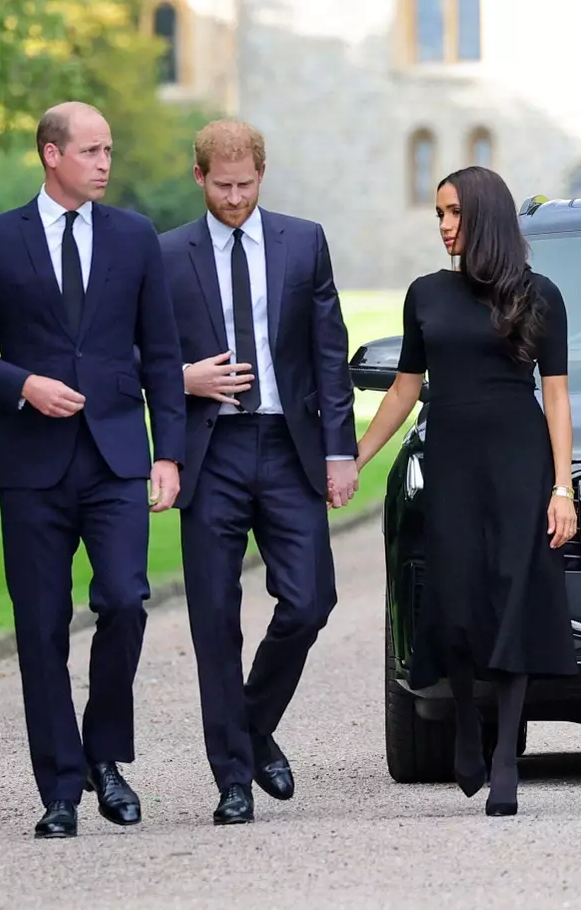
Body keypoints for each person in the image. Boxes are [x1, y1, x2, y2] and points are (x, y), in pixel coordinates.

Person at [0, 101, 186, 839]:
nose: (105, 163)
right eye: (91, 150)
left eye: (109, 149)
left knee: (125, 601)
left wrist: (168, 452)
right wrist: (22, 384)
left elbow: (165, 354)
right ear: (51, 155)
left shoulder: (134, 236)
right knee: (41, 627)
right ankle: (58, 789)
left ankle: (103, 755)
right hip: (30, 465)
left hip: (116, 457)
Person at [356, 165, 578, 817]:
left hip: (518, 458)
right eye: (439, 215)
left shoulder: (540, 295)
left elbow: (557, 394)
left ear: (484, 216)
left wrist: (561, 487)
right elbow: (404, 387)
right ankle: (462, 730)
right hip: (449, 456)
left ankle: (506, 754)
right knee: (454, 598)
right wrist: (358, 456)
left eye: (453, 213)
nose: (445, 226)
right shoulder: (425, 294)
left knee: (512, 591)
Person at [157, 119, 358, 825]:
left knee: (311, 599)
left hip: (286, 446)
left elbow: (328, 354)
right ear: (199, 176)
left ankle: (250, 720)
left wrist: (341, 450)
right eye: (222, 185)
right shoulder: (166, 255)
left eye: (246, 185)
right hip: (210, 454)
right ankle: (233, 780)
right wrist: (184, 379)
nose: (235, 198)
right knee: (214, 619)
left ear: (261, 176)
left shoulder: (303, 243)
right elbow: (136, 357)